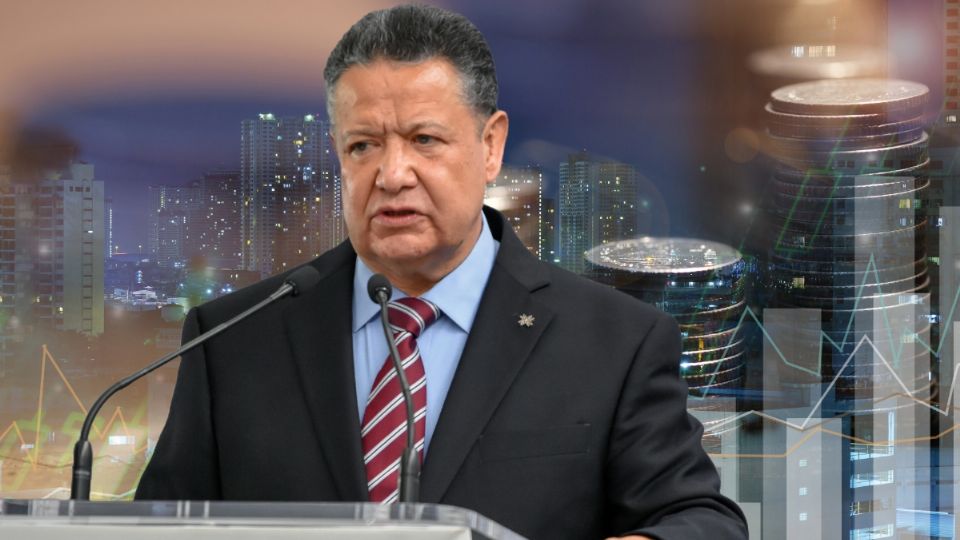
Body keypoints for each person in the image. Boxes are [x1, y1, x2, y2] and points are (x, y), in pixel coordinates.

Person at [136, 5, 748, 539]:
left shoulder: (615, 341)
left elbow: (701, 521)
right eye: (363, 145)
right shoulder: (234, 339)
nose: (391, 174)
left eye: (424, 139)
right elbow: (153, 528)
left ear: (491, 146)